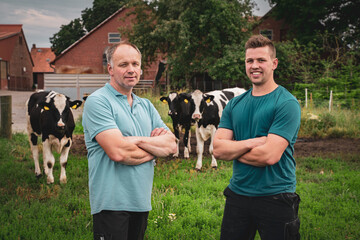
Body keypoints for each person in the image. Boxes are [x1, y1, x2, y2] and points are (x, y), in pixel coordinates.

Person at [82, 41, 177, 240]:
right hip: (111, 205)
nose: (131, 70)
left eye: (135, 64)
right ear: (110, 69)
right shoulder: (98, 101)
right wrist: (153, 148)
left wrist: (132, 140)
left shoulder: (146, 106)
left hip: (141, 202)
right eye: (123, 64)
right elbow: (118, 152)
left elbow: (171, 146)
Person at [213, 35, 301, 240]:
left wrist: (232, 149)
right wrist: (254, 142)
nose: (254, 65)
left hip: (277, 197)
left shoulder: (286, 103)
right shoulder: (235, 104)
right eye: (249, 61)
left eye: (261, 60)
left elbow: (268, 156)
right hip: (238, 196)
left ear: (274, 63)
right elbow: (217, 150)